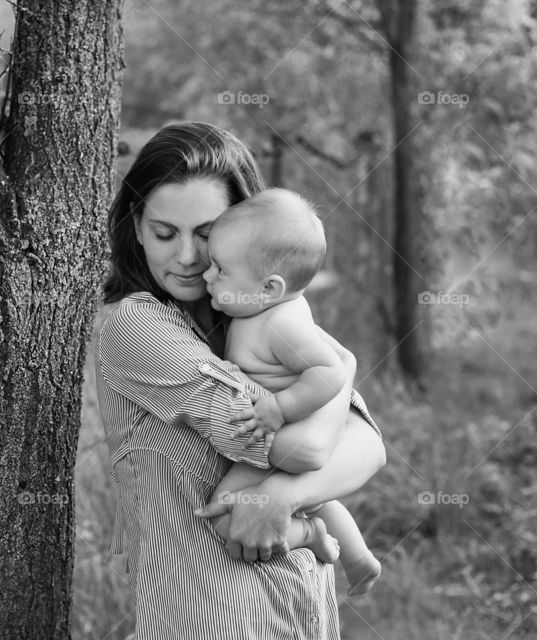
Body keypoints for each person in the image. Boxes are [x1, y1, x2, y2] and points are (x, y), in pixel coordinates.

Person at [96, 122, 387, 639]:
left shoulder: (258, 309)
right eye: (165, 233)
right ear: (136, 227)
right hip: (212, 615)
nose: (187, 257)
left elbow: (369, 446)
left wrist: (279, 498)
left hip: (301, 606)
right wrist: (341, 372)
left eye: (206, 234)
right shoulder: (136, 327)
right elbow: (308, 446)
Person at [202, 187, 382, 595]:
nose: (207, 276)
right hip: (289, 444)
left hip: (283, 437)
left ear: (269, 288)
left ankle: (308, 533)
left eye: (220, 270)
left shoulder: (280, 324)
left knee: (223, 511)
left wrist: (280, 408)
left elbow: (329, 372)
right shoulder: (263, 309)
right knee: (315, 496)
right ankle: (356, 557)